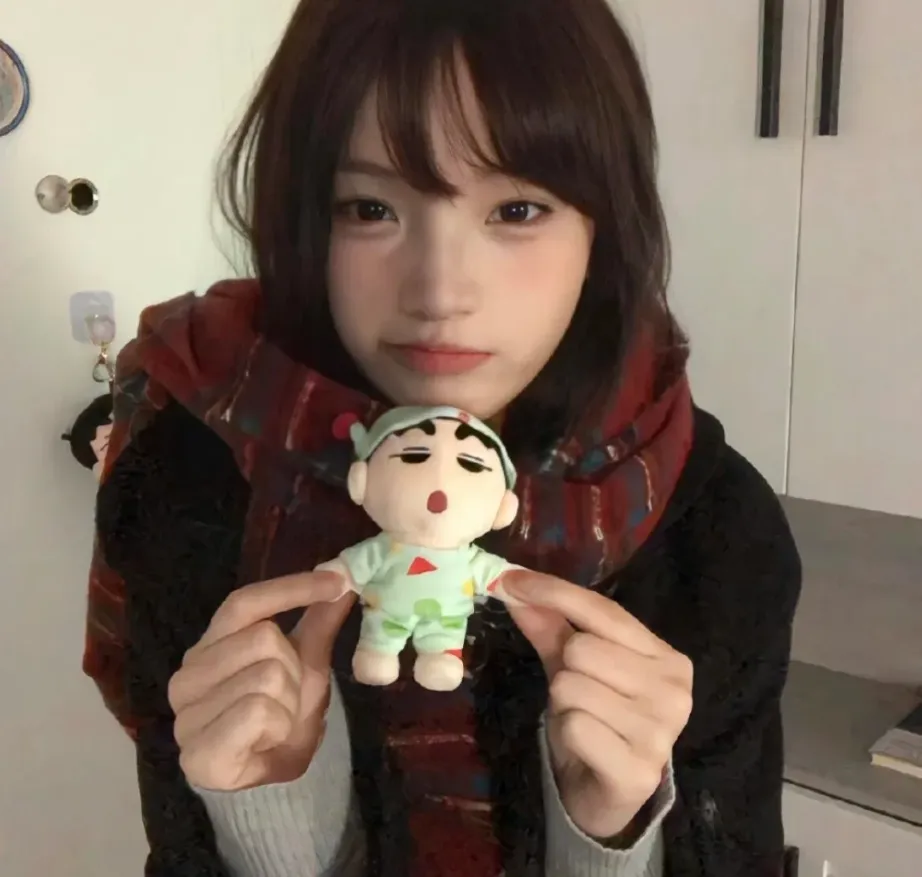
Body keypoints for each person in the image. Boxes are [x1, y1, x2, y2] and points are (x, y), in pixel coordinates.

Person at [83, 0, 802, 875]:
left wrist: (612, 834)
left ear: (602, 228)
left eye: (518, 209)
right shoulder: (188, 479)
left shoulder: (716, 531)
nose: (439, 289)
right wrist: (272, 819)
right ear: (303, 217)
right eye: (370, 207)